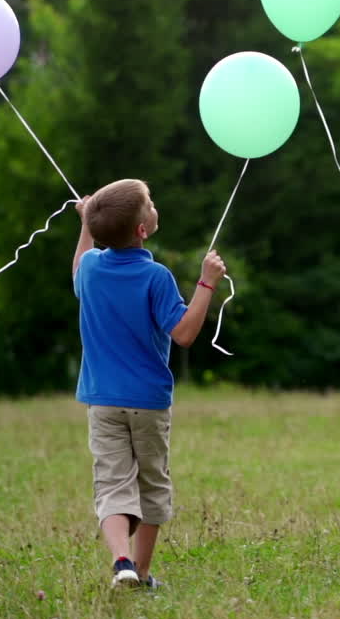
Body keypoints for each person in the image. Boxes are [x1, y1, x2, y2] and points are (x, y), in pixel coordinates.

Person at [72, 179, 226, 587]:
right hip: (148, 402)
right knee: (152, 485)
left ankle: (121, 559)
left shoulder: (90, 269)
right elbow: (185, 334)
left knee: (112, 483)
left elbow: (79, 268)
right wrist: (207, 282)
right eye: (150, 205)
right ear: (143, 229)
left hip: (102, 401)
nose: (154, 207)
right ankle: (140, 572)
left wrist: (86, 225)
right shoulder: (156, 276)